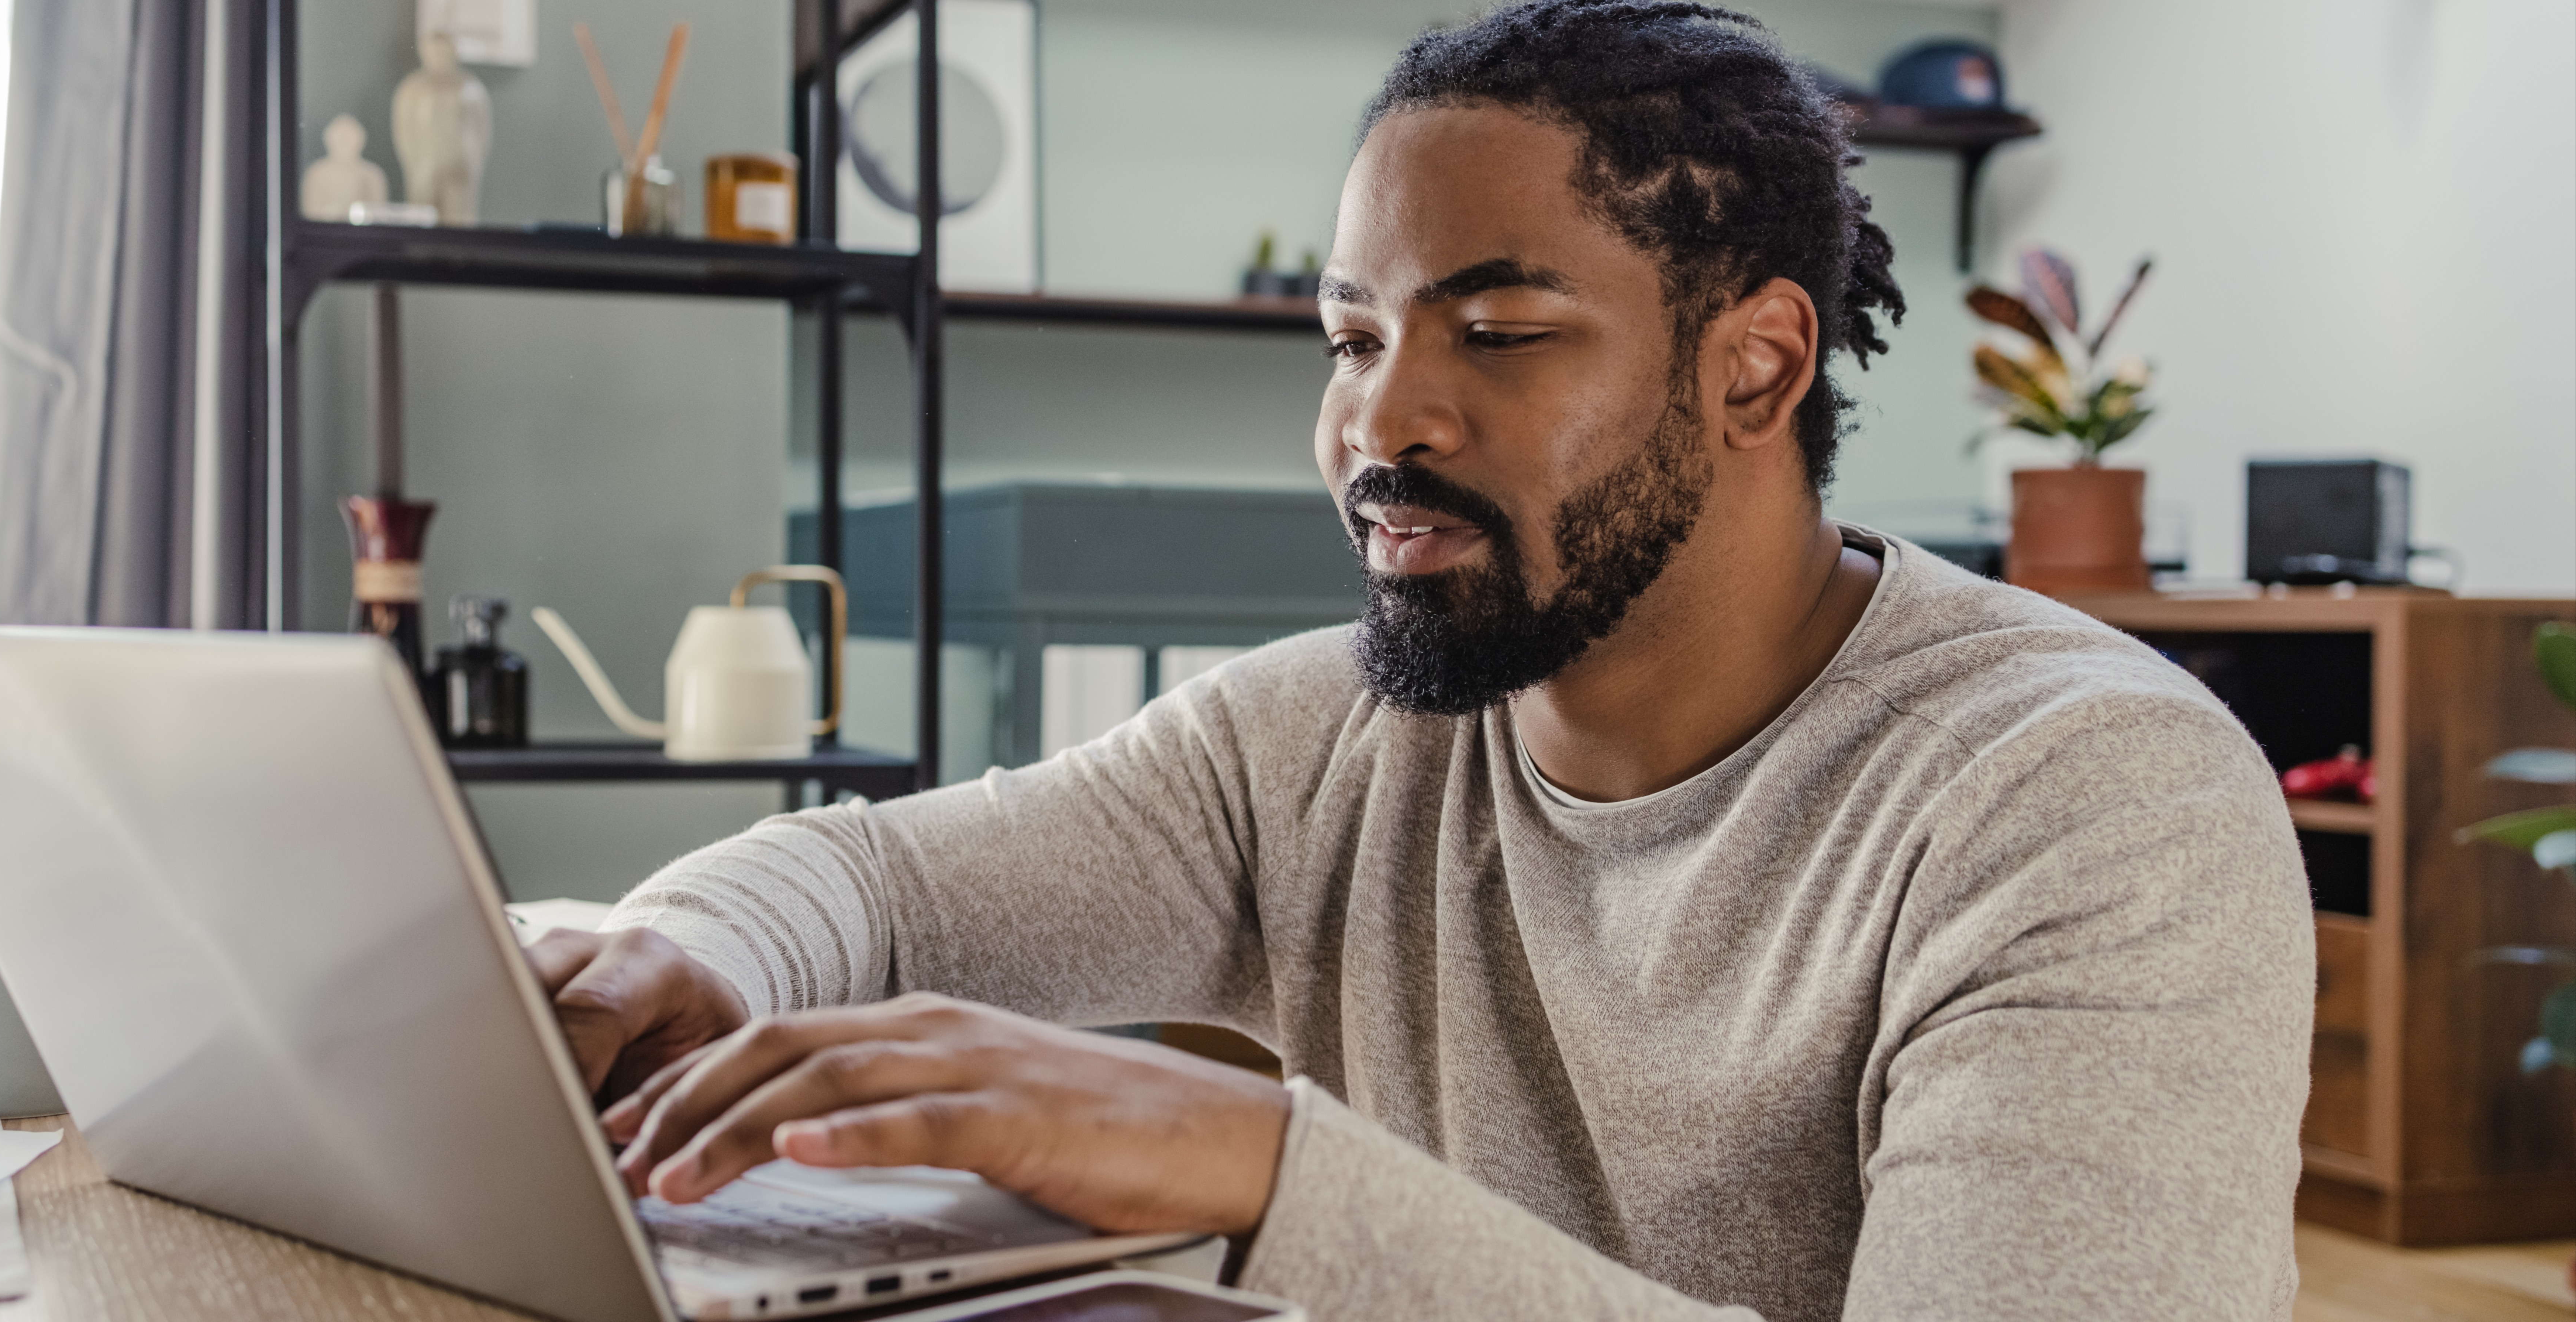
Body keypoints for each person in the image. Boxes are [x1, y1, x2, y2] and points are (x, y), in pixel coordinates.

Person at [524, 4, 2312, 1317]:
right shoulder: (1320, 738)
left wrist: (1262, 1165)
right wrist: (690, 950)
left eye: (1501, 330)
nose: (1381, 418)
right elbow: (876, 883)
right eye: (1349, 335)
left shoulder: (2085, 799)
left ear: (1758, 368)